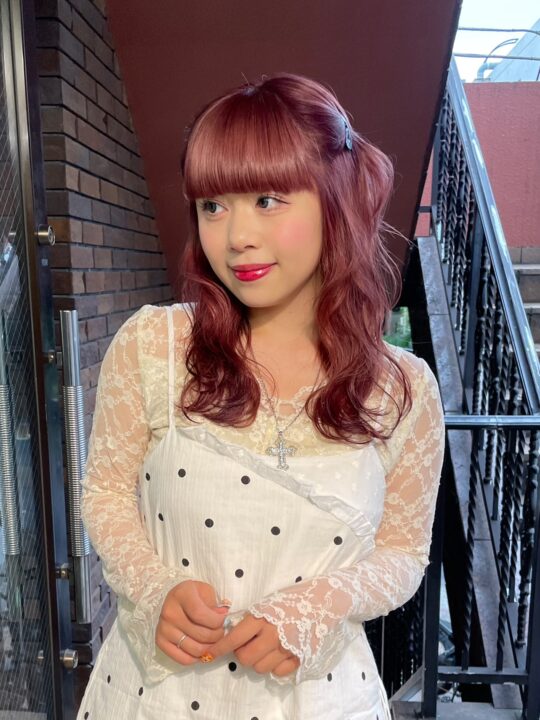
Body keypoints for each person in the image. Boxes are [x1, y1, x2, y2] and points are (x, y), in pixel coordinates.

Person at [77, 72, 445, 720]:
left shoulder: (403, 390)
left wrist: (321, 606)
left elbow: (403, 552)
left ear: (335, 199)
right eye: (213, 206)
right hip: (155, 696)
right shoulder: (155, 345)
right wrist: (154, 588)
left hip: (324, 701)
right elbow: (105, 493)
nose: (235, 236)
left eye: (267, 200)